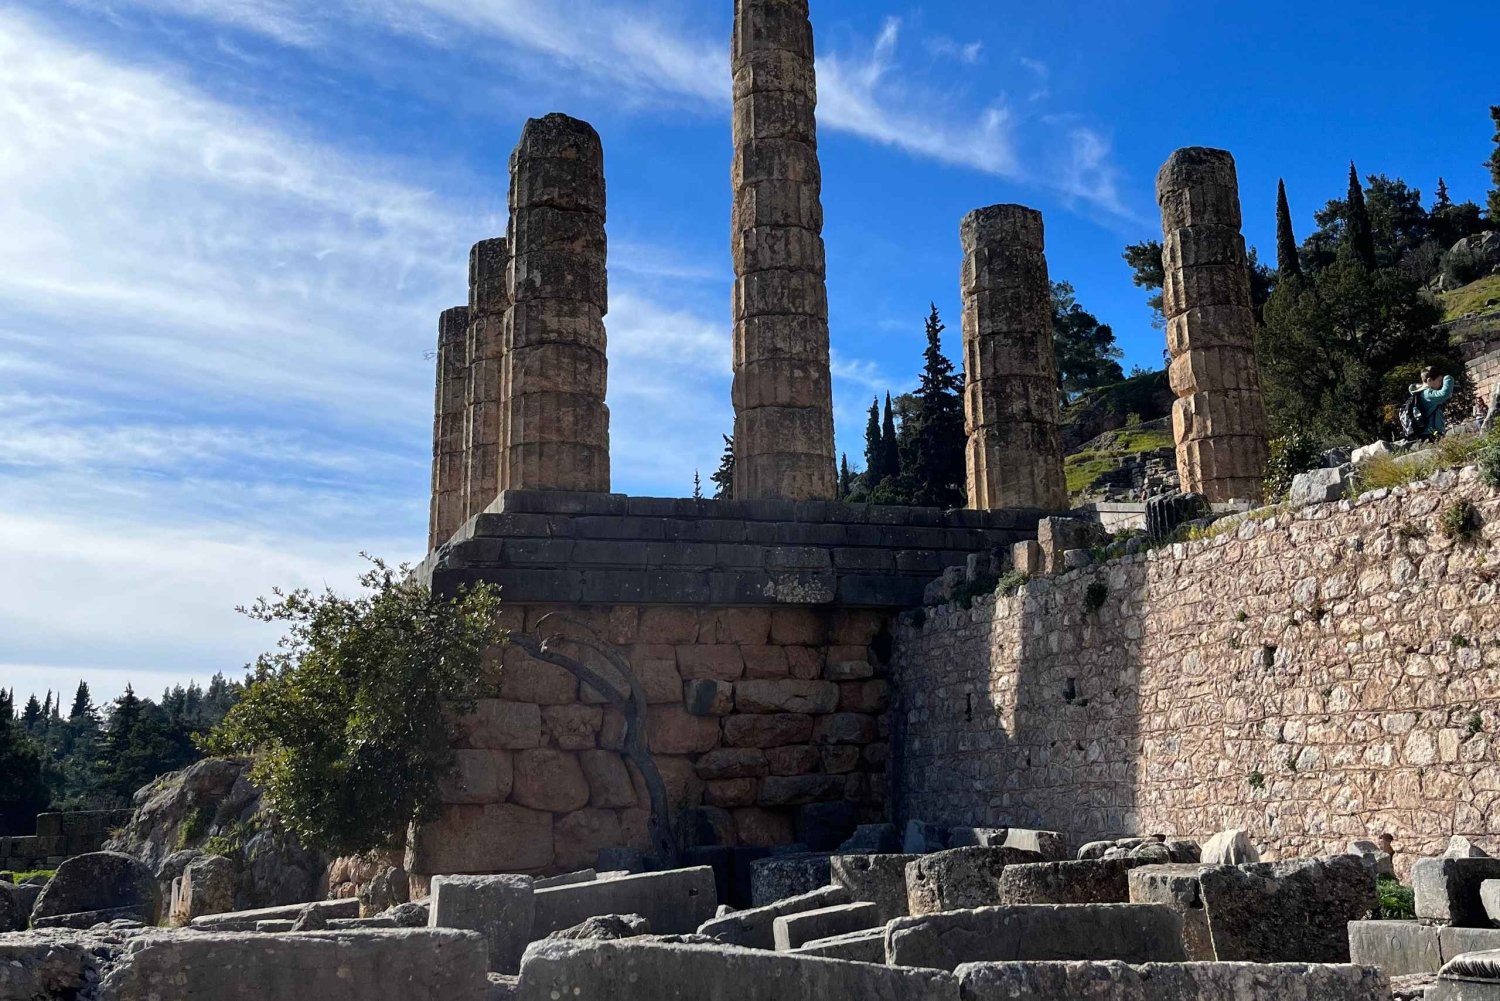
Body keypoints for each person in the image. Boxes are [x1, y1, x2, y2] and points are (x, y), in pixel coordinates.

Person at [1407, 367, 1455, 439]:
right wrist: (1448, 378)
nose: (1441, 384)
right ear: (1429, 380)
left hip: (1427, 433)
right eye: (1439, 380)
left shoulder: (1420, 393)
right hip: (1431, 434)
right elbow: (1445, 394)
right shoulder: (1428, 394)